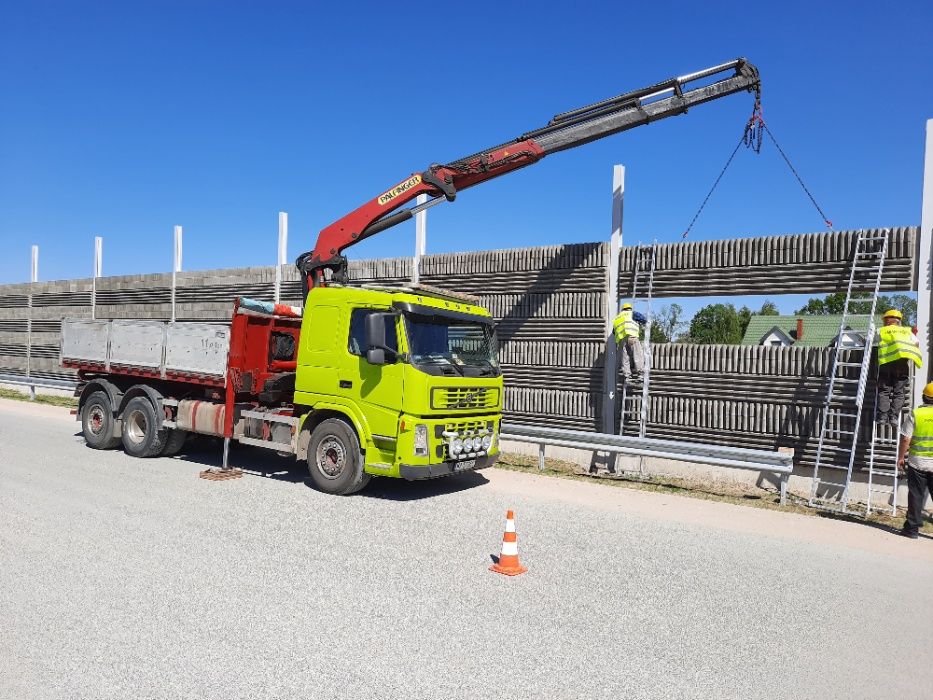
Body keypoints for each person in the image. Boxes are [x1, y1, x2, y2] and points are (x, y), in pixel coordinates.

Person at [895, 381, 933, 539]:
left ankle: (912, 530)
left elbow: (906, 439)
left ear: (924, 397)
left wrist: (900, 457)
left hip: (917, 462)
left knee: (916, 494)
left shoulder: (916, 414)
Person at [876, 309, 922, 426]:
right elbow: (916, 344)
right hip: (901, 365)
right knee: (899, 392)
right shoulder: (907, 331)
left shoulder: (881, 330)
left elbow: (873, 341)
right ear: (899, 321)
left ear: (887, 320)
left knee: (884, 391)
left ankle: (882, 417)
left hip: (886, 363)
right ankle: (894, 417)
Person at [613, 301, 647, 382]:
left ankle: (627, 376)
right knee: (637, 355)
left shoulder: (617, 318)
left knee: (625, 358)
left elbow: (614, 332)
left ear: (622, 310)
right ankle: (640, 375)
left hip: (621, 340)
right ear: (629, 309)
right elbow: (643, 319)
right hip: (632, 337)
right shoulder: (632, 313)